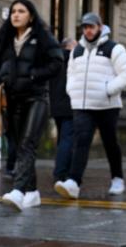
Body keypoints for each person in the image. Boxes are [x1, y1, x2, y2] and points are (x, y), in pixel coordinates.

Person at [0, 0, 63, 210]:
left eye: (21, 11)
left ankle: (19, 191)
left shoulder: (42, 37)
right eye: (13, 11)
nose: (16, 15)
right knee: (18, 144)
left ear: (30, 15)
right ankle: (32, 192)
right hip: (12, 100)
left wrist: (34, 75)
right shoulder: (5, 38)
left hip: (37, 98)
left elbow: (57, 62)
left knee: (27, 143)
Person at [54, 13, 126, 199]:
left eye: (91, 27)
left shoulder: (114, 48)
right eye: (85, 27)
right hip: (83, 106)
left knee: (110, 142)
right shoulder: (77, 51)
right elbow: (71, 74)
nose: (88, 30)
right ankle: (74, 182)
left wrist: (108, 89)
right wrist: (71, 91)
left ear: (100, 26)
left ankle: (117, 178)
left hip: (107, 106)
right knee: (80, 142)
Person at [50, 37, 76, 182]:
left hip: (56, 105)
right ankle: (60, 171)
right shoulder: (73, 60)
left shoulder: (55, 60)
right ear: (69, 46)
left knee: (62, 139)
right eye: (75, 45)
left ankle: (64, 168)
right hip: (69, 105)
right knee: (67, 139)